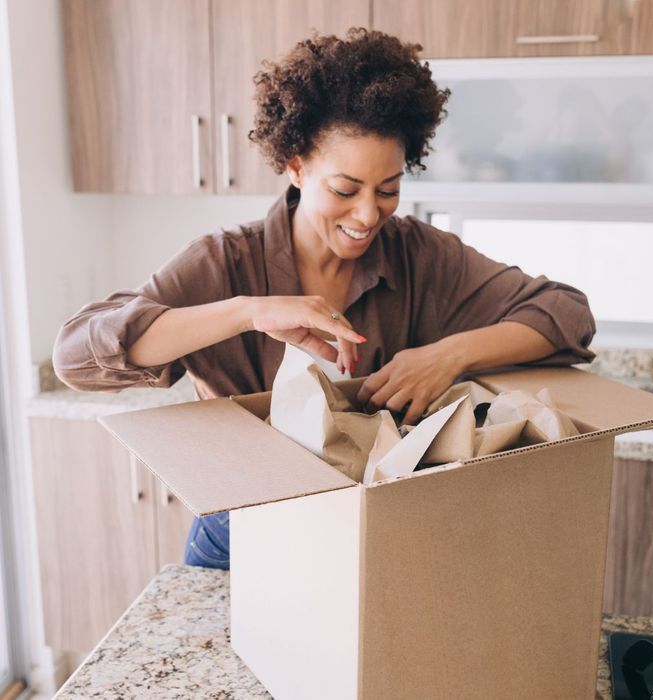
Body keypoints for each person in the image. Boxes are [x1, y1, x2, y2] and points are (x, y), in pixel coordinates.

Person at [53, 28, 596, 570]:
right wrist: (248, 311)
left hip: (379, 527)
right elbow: (76, 357)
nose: (367, 215)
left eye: (388, 189)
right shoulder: (225, 262)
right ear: (296, 166)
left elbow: (565, 314)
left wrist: (447, 355)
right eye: (345, 189)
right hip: (244, 531)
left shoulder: (418, 256)